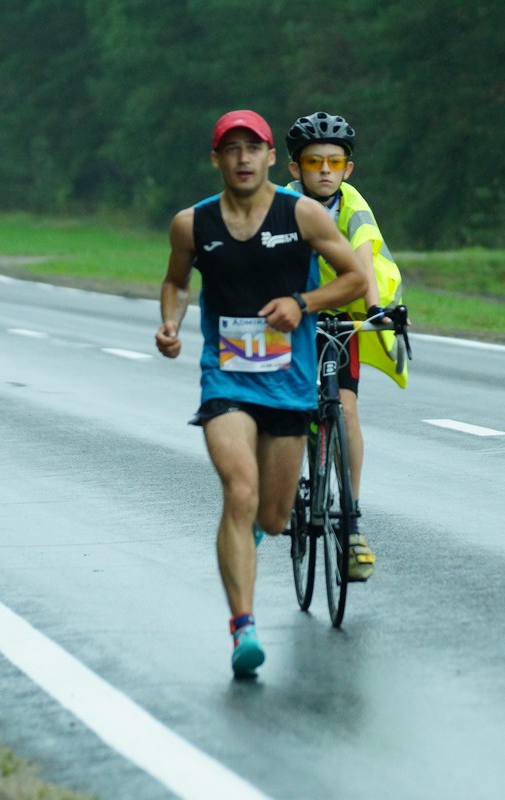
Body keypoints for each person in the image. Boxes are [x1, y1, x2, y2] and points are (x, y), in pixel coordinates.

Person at [155, 110, 366, 677]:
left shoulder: (301, 214)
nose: (243, 158)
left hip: (287, 381)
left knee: (272, 518)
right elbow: (176, 281)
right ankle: (242, 628)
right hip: (226, 378)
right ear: (217, 159)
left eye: (254, 148)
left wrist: (303, 303)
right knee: (239, 490)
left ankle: (247, 536)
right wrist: (170, 322)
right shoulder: (192, 224)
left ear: (272, 157)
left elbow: (355, 278)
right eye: (232, 149)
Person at [285, 111, 406, 583]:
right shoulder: (282, 204)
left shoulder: (353, 205)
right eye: (313, 161)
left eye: (334, 162)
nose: (325, 170)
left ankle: (352, 524)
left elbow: (364, 259)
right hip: (292, 315)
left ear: (347, 169)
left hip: (343, 314)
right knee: (290, 407)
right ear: (295, 168)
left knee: (347, 411)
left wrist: (375, 311)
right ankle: (289, 482)